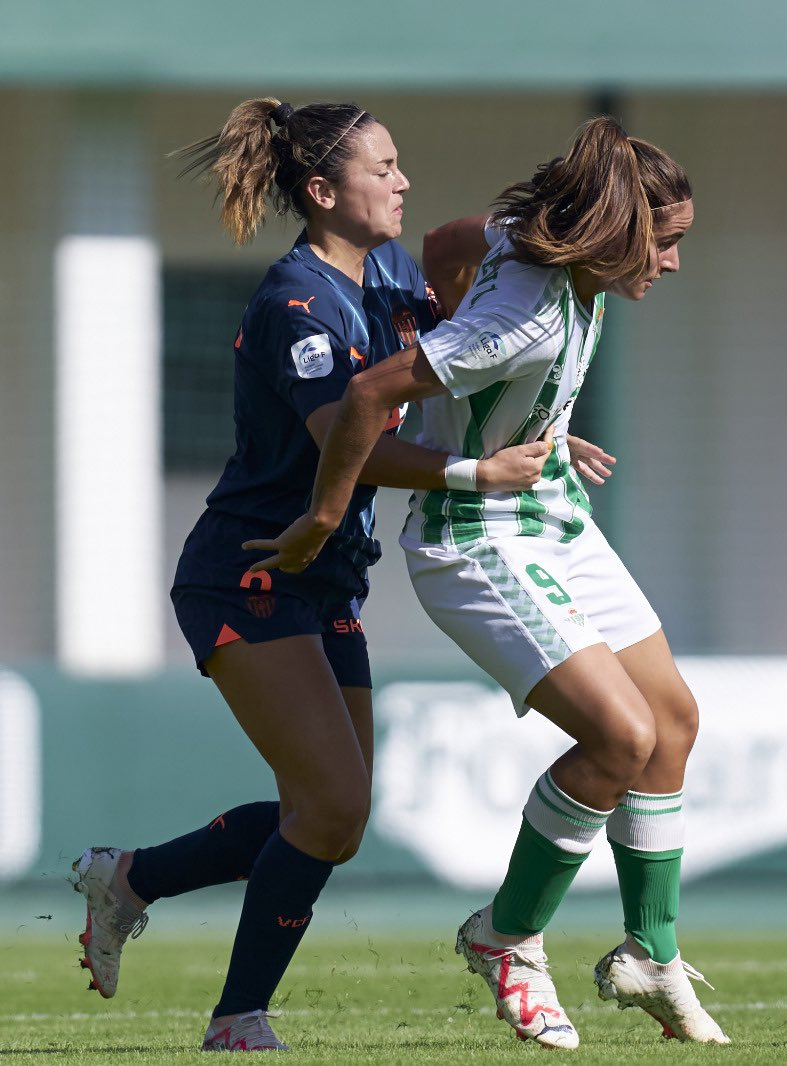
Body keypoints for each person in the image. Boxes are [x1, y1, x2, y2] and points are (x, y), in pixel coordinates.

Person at [69, 97, 555, 1053]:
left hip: (327, 578)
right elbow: (348, 439)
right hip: (249, 571)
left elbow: (458, 310)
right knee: (330, 806)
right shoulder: (297, 300)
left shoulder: (393, 273)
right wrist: (476, 472)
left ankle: (129, 879)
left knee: (334, 818)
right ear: (325, 192)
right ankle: (237, 1021)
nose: (403, 181)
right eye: (384, 168)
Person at [247, 116, 730, 1050]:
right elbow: (367, 395)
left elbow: (446, 242)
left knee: (672, 721)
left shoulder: (528, 249)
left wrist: (512, 408)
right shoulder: (521, 320)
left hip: (551, 513)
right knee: (621, 735)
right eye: (665, 243)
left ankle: (652, 951)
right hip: (475, 539)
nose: (673, 263)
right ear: (617, 232)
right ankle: (504, 937)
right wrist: (322, 517)